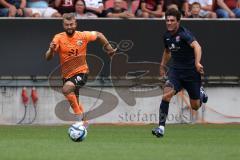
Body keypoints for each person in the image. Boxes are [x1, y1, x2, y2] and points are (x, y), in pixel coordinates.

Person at [45, 13, 116, 124]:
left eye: (71, 24)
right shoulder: (58, 37)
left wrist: (109, 49)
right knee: (75, 102)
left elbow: (99, 35)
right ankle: (84, 124)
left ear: (75, 24)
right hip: (66, 75)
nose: (69, 27)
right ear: (63, 25)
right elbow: (48, 58)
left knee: (66, 89)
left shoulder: (83, 36)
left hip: (81, 72)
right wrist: (51, 50)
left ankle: (78, 119)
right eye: (67, 25)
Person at [152, 8, 208, 138]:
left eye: (172, 20)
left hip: (191, 74)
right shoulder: (166, 36)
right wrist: (162, 65)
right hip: (175, 72)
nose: (169, 23)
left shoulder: (184, 34)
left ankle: (200, 92)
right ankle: (161, 127)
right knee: (166, 96)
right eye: (167, 20)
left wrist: (197, 63)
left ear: (178, 21)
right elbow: (167, 52)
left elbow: (197, 47)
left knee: (195, 106)